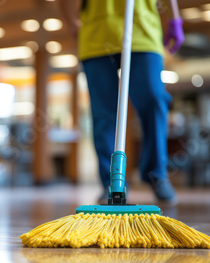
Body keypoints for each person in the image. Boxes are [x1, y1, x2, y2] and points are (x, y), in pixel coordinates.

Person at [58, 0, 184, 204]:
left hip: (142, 32)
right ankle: (111, 182)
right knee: (104, 113)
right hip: (97, 38)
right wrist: (71, 22)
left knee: (154, 99)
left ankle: (156, 174)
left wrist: (175, 18)